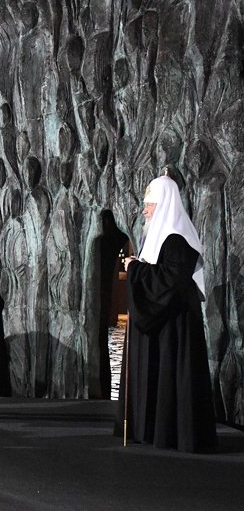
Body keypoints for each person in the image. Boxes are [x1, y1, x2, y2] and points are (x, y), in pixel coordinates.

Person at [118, 175, 216, 453]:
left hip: (174, 325)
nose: (144, 210)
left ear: (164, 206)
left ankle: (170, 434)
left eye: (149, 205)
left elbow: (170, 281)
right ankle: (148, 429)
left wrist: (135, 269)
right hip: (161, 323)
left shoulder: (178, 240)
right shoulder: (158, 236)